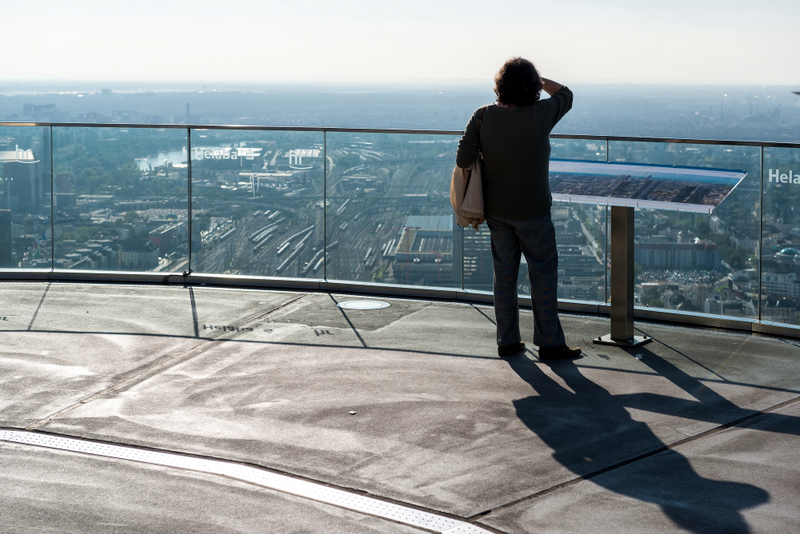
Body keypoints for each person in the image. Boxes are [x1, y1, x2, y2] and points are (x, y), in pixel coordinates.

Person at [456, 57, 581, 360]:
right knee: (543, 275)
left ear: (499, 86)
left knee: (504, 276)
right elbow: (566, 94)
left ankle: (507, 340)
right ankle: (550, 343)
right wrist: (538, 81)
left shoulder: (482, 117)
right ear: (531, 88)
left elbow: (463, 159)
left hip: (497, 212)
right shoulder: (540, 114)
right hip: (534, 210)